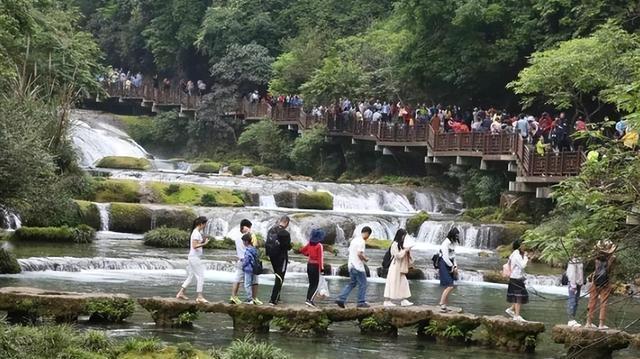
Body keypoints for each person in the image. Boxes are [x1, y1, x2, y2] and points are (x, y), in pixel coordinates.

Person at [336, 226, 372, 308]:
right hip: (358, 266)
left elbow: (350, 252)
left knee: (352, 283)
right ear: (367, 233)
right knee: (363, 284)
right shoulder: (361, 241)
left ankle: (341, 298)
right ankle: (361, 302)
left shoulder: (354, 240)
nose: (367, 238)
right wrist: (365, 259)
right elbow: (359, 253)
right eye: (368, 236)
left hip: (351, 265)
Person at [176, 216, 210, 303]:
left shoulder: (196, 233)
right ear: (201, 224)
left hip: (193, 257)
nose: (205, 226)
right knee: (200, 276)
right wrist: (204, 243)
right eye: (205, 224)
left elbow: (196, 244)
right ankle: (199, 296)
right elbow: (194, 246)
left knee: (191, 276)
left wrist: (202, 242)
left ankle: (180, 293)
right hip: (194, 258)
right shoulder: (196, 233)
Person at [585, 240, 617, 329]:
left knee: (592, 301)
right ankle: (601, 324)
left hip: (595, 281)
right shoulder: (613, 258)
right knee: (604, 303)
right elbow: (611, 270)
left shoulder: (597, 258)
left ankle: (588, 323)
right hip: (606, 282)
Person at [230, 219, 261, 305]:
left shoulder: (237, 236)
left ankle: (234, 296)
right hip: (250, 262)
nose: (250, 228)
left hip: (241, 260)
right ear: (246, 227)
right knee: (254, 280)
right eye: (249, 227)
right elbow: (256, 246)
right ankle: (253, 298)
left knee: (238, 279)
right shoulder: (250, 236)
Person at [383, 229, 414, 307]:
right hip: (395, 266)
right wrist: (405, 250)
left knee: (403, 283)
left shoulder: (402, 245)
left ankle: (403, 300)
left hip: (400, 266)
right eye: (404, 235)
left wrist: (408, 250)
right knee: (392, 282)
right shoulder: (395, 244)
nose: (404, 237)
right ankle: (387, 300)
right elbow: (398, 256)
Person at [266, 216, 292, 305]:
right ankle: (273, 299)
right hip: (281, 257)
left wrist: (267, 254)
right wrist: (291, 246)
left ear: (280, 221)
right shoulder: (285, 233)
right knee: (280, 277)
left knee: (277, 275)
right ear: (287, 223)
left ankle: (277, 297)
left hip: (272, 256)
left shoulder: (271, 230)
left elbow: (267, 243)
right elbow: (287, 247)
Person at [300, 229, 325, 307]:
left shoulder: (310, 244)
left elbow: (302, 250)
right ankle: (310, 300)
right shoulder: (319, 245)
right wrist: (322, 269)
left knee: (311, 284)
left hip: (309, 265)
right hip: (316, 266)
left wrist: (307, 254)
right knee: (316, 285)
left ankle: (308, 299)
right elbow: (320, 258)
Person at [505, 239, 529, 322]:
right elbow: (522, 266)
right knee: (518, 298)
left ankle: (511, 310)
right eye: (523, 245)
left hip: (516, 278)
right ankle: (516, 315)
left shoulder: (515, 254)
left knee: (519, 296)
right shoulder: (516, 255)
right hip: (516, 278)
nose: (525, 246)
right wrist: (526, 257)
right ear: (519, 246)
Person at [438, 227, 460, 313]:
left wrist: (455, 266)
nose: (457, 237)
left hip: (450, 263)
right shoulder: (445, 243)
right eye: (456, 235)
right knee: (450, 285)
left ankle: (444, 306)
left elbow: (453, 256)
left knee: (449, 285)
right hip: (443, 263)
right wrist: (451, 266)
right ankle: (441, 303)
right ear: (452, 234)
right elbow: (445, 257)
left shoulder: (453, 243)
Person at [566, 256, 584, 327]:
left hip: (578, 283)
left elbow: (580, 273)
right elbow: (571, 273)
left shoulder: (579, 260)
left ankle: (573, 319)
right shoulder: (572, 261)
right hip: (573, 284)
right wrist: (573, 285)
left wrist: (581, 282)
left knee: (576, 301)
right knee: (572, 301)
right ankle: (570, 320)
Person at [242, 233, 260, 304]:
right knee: (252, 283)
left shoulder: (247, 250)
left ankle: (249, 299)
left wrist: (242, 266)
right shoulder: (254, 249)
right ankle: (252, 298)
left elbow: (246, 261)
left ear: (246, 241)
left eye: (243, 241)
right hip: (254, 269)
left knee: (247, 284)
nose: (243, 243)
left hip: (248, 269)